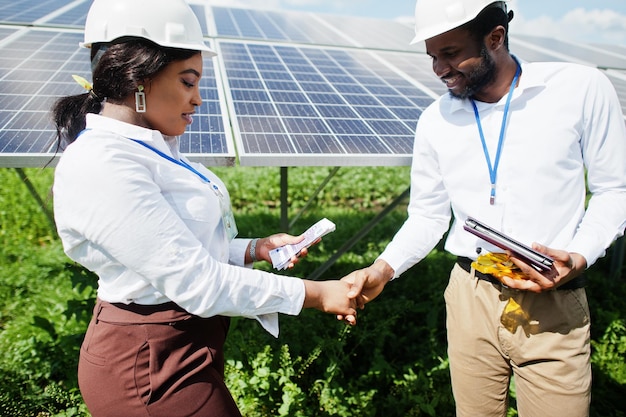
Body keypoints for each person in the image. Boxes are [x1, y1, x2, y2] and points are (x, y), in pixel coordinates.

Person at [51, 1, 356, 416]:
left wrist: (254, 249)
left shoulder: (154, 150)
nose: (198, 99)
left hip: (182, 346)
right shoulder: (103, 163)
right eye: (188, 82)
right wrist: (318, 294)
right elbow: (195, 281)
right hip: (148, 364)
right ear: (138, 76)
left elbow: (175, 247)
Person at [339, 1, 626, 416]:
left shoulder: (579, 89)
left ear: (495, 37)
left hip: (551, 298)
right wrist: (382, 269)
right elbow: (428, 216)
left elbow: (614, 189)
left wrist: (579, 256)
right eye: (433, 56)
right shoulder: (435, 121)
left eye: (450, 53)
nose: (439, 68)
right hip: (469, 294)